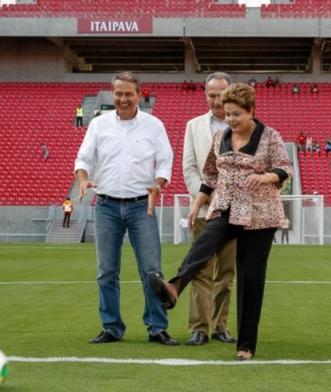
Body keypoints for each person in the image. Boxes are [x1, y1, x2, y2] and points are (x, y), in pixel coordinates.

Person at [149, 82, 292, 360]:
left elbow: (285, 167)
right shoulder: (220, 138)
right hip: (225, 207)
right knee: (204, 244)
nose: (230, 119)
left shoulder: (269, 136)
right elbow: (211, 176)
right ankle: (174, 287)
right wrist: (196, 205)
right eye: (227, 114)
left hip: (259, 214)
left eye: (236, 114)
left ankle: (246, 346)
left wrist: (265, 177)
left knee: (250, 278)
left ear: (251, 110)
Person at [74, 71, 178, 346]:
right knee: (106, 271)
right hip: (106, 205)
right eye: (118, 93)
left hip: (141, 206)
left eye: (128, 94)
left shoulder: (154, 125)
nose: (122, 98)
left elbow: (166, 160)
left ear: (138, 95)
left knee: (151, 271)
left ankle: (157, 327)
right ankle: (111, 327)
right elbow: (83, 158)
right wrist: (83, 179)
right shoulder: (99, 125)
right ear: (113, 94)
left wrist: (158, 184)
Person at [182, 72, 236, 346]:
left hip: (235, 212)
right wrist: (203, 197)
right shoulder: (193, 126)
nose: (216, 100)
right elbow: (189, 167)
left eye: (221, 95)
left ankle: (220, 326)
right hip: (204, 211)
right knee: (200, 270)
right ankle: (199, 328)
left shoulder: (242, 124)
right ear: (205, 95)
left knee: (226, 273)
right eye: (211, 95)